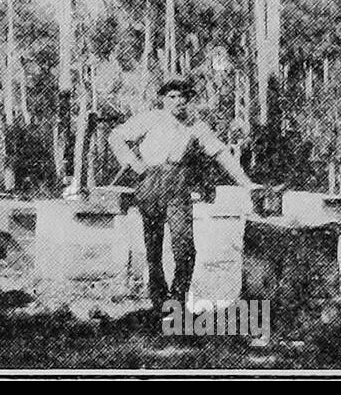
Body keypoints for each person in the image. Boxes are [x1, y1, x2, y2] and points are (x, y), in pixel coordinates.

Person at [107, 78, 256, 308]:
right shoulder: (151, 118)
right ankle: (158, 302)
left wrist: (246, 183)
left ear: (188, 100)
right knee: (153, 247)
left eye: (182, 97)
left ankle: (176, 303)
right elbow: (116, 136)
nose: (178, 101)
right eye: (172, 97)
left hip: (179, 185)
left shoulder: (196, 125)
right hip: (151, 182)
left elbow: (220, 153)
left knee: (185, 249)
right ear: (164, 99)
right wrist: (134, 163)